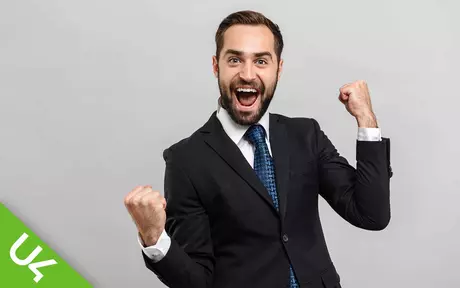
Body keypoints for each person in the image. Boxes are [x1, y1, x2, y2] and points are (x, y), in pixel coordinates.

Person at [124, 10, 393, 288]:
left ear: (279, 68)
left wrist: (366, 119)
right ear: (216, 66)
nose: (247, 74)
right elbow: (197, 281)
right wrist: (154, 238)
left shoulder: (305, 135)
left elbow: (371, 214)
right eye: (235, 60)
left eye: (261, 61)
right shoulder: (186, 160)